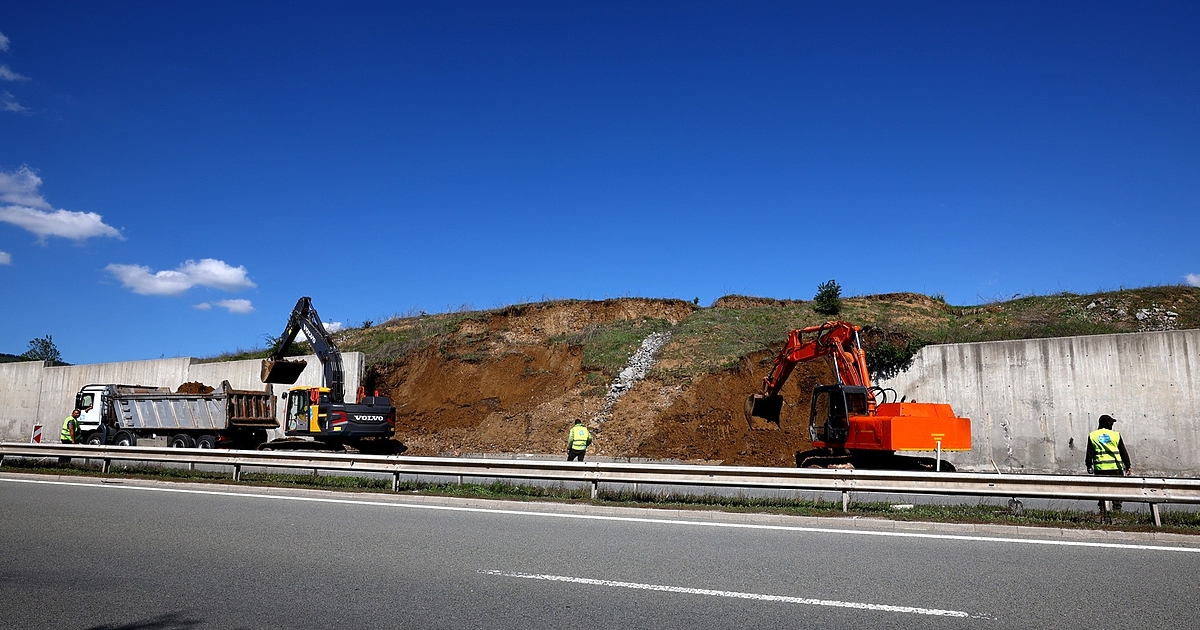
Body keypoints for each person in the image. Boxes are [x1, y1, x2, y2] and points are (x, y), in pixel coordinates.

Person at [1085, 414, 1131, 516]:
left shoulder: (1093, 435)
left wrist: (1089, 465)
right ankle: (1117, 511)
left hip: (1100, 468)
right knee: (1117, 490)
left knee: (1102, 490)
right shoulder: (1116, 435)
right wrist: (1128, 466)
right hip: (1116, 468)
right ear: (1109, 423)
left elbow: (1089, 452)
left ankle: (1103, 510)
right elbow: (1123, 452)